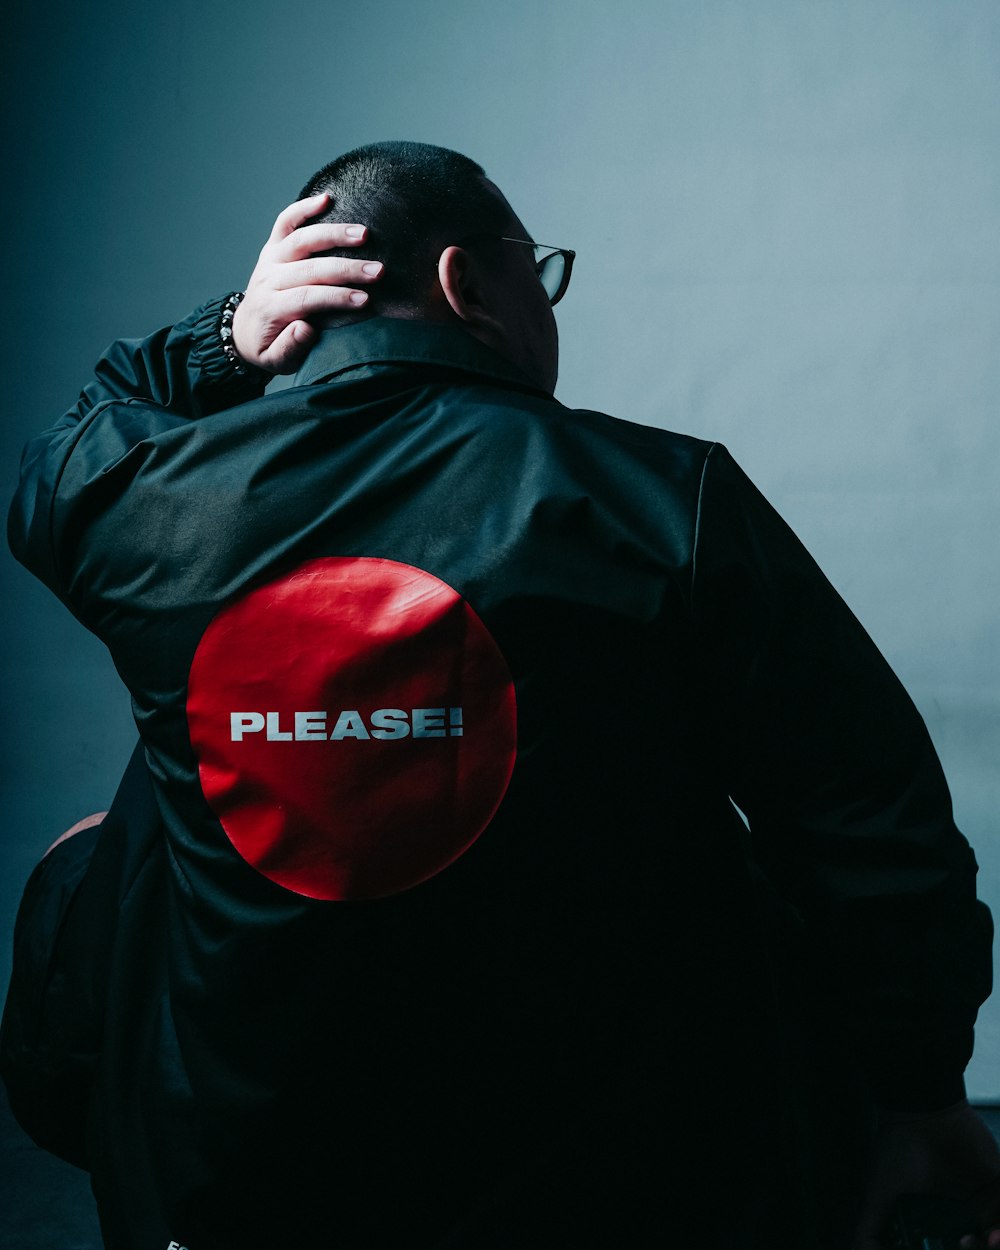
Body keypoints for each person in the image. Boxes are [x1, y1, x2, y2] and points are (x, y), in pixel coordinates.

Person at [2, 139, 998, 1249]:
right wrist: (920, 1089)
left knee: (110, 835)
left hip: (235, 1180)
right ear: (468, 282)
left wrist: (227, 334)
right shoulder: (662, 500)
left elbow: (60, 459)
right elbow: (868, 819)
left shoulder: (155, 499)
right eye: (541, 271)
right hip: (622, 1178)